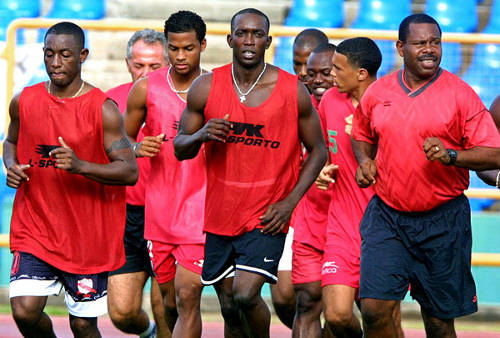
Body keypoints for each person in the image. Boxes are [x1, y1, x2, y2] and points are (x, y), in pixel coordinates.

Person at [174, 8, 327, 338]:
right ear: (230, 39)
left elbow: (319, 150)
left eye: (257, 34)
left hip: (268, 214)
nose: (249, 40)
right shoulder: (206, 86)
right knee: (229, 303)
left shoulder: (292, 90)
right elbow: (179, 147)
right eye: (242, 33)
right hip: (221, 213)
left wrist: (289, 203)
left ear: (268, 42)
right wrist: (200, 135)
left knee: (245, 294)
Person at [351, 14, 500, 338]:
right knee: (374, 310)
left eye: (435, 42)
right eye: (420, 43)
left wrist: (452, 155)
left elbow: (494, 153)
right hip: (388, 217)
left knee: (438, 322)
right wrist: (365, 161)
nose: (429, 49)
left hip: (442, 222)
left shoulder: (461, 94)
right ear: (401, 48)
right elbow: (360, 133)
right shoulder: (379, 92)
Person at [4, 22, 138, 338]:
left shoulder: (103, 108)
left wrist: (80, 166)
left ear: (82, 55)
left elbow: (129, 171)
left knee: (82, 325)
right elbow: (11, 141)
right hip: (36, 226)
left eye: (65, 54)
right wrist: (11, 165)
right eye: (49, 54)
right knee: (24, 310)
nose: (56, 62)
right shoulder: (24, 100)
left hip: (86, 236)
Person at [124, 11, 207, 338]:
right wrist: (134, 149)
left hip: (199, 212)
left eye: (188, 48)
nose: (181, 56)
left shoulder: (218, 88)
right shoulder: (146, 90)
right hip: (158, 213)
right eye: (174, 49)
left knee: (188, 298)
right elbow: (120, 138)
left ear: (202, 45)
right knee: (169, 301)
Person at [106, 29, 174, 338]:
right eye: (139, 65)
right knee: (122, 313)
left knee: (167, 308)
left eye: (154, 66)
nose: (145, 74)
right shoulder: (110, 102)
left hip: (169, 215)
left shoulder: (185, 99)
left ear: (169, 63)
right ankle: (146, 333)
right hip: (125, 216)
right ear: (127, 63)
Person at [271, 28, 330, 330]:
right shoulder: (286, 97)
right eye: (297, 64)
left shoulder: (340, 102)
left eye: (312, 64)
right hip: (292, 211)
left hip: (335, 213)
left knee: (339, 308)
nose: (305, 73)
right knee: (284, 297)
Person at [290, 42, 335, 337]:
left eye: (326, 72)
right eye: (309, 71)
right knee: (305, 301)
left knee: (346, 312)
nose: (316, 79)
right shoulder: (295, 106)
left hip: (352, 223)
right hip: (307, 218)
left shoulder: (361, 109)